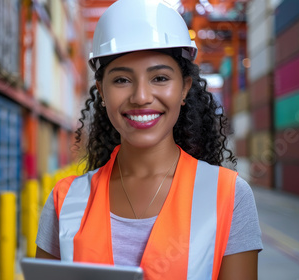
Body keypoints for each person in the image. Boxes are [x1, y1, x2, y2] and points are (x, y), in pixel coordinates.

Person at [35, 0, 263, 279]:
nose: (141, 97)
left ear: (184, 88)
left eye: (159, 78)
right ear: (102, 93)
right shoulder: (65, 200)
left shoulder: (229, 196)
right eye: (121, 80)